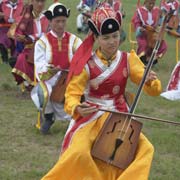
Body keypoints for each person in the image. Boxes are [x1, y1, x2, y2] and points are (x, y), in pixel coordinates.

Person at [41, 6, 162, 180]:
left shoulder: (128, 59)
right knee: (80, 153)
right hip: (91, 116)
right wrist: (77, 107)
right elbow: (72, 94)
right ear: (96, 38)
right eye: (106, 38)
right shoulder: (87, 64)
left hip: (119, 117)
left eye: (115, 36)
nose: (112, 41)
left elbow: (153, 90)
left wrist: (151, 81)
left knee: (146, 149)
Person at [32, 2, 82, 134]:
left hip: (69, 78)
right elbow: (39, 64)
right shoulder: (42, 42)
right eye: (57, 21)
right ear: (50, 21)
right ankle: (48, 117)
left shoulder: (74, 40)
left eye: (63, 21)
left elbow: (84, 58)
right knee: (43, 93)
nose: (60, 24)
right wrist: (49, 69)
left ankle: (78, 120)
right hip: (50, 78)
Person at [11, 0, 49, 90]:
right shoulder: (26, 17)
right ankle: (29, 84)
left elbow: (50, 34)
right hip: (30, 49)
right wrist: (22, 38)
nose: (40, 4)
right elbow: (18, 33)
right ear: (32, 2)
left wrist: (32, 37)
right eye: (37, 1)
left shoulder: (48, 17)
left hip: (46, 49)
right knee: (22, 58)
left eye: (42, 1)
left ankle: (43, 84)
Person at [132, 0, 167, 65]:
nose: (151, 5)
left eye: (153, 4)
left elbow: (160, 23)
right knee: (144, 44)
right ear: (145, 3)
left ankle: (152, 59)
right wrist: (140, 29)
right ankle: (142, 60)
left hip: (153, 35)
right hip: (143, 35)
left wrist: (161, 18)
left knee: (162, 44)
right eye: (150, 3)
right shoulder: (139, 11)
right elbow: (136, 23)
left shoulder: (157, 11)